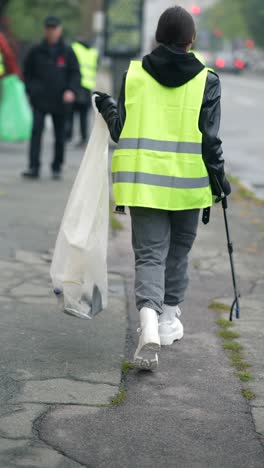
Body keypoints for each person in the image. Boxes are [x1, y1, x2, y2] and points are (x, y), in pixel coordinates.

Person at [94, 6, 231, 370]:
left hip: (144, 185)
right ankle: (169, 320)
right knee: (178, 254)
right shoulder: (208, 80)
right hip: (188, 186)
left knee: (150, 256)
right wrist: (220, 181)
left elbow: (121, 129)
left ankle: (148, 324)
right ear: (192, 40)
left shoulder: (134, 74)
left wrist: (107, 106)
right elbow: (210, 142)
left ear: (157, 36)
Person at [22, 16, 80, 180]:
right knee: (36, 133)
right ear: (44, 30)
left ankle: (57, 166)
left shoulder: (67, 51)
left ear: (60, 30)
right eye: (48, 28)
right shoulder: (36, 51)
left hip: (60, 100)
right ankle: (34, 167)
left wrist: (71, 90)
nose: (51, 32)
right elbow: (27, 72)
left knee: (60, 135)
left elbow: (75, 73)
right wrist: (31, 90)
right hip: (40, 99)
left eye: (54, 28)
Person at [66, 38, 98, 147]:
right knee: (83, 115)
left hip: (76, 85)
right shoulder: (93, 52)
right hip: (87, 86)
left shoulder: (74, 48)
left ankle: (68, 136)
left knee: (70, 112)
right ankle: (84, 138)